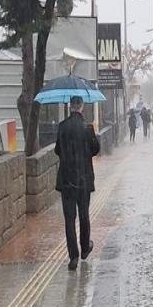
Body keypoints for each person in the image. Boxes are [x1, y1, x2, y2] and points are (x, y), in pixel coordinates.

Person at [55, 96, 100, 270]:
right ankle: (85, 248)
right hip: (83, 179)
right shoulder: (87, 128)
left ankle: (73, 256)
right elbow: (95, 149)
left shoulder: (62, 127)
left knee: (69, 218)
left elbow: (57, 150)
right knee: (83, 215)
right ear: (81, 107)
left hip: (66, 180)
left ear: (70, 107)